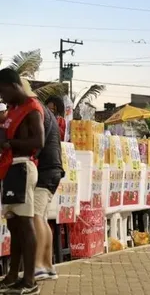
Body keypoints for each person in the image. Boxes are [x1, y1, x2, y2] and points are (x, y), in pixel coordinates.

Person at [0, 68, 44, 294]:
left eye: (2, 91)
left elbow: (39, 140)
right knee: (14, 224)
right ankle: (13, 276)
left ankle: (30, 280)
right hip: (10, 169)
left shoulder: (31, 108)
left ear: (12, 85)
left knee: (25, 224)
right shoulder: (13, 110)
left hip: (22, 168)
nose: (1, 97)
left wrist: (10, 144)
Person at [33, 100, 65, 281]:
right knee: (42, 218)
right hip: (53, 171)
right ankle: (47, 266)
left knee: (36, 216)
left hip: (45, 172)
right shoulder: (49, 116)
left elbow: (36, 145)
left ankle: (39, 266)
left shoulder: (37, 112)